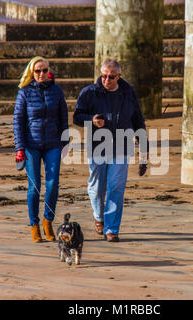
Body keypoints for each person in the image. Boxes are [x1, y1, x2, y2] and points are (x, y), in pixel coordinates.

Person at [73, 59, 148, 242]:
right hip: (98, 146)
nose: (107, 80)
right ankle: (99, 216)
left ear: (119, 76)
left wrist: (144, 150)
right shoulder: (89, 93)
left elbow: (138, 121)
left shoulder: (128, 93)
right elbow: (77, 117)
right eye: (104, 76)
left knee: (115, 188)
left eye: (111, 77)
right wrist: (92, 120)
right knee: (97, 188)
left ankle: (111, 229)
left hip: (122, 146)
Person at [13, 56, 69, 243]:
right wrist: (19, 148)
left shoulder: (57, 91)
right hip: (31, 145)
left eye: (44, 70)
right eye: (38, 71)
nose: (41, 74)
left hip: (53, 144)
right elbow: (18, 122)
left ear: (49, 71)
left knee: (53, 184)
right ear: (32, 72)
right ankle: (34, 224)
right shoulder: (24, 92)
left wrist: (65, 142)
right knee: (34, 186)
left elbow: (63, 118)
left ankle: (48, 221)